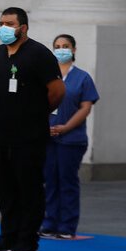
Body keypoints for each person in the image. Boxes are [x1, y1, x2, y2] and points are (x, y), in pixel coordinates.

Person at [0, 7, 65, 251]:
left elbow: (57, 91)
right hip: (0, 134)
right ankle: (6, 236)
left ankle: (27, 240)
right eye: (1, 23)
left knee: (28, 188)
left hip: (29, 136)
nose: (4, 28)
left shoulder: (39, 54)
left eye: (9, 23)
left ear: (23, 27)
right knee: (4, 188)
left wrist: (35, 110)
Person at [40, 34, 99, 239]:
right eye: (57, 46)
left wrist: (65, 127)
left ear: (74, 50)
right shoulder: (47, 76)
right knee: (50, 179)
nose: (61, 49)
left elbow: (85, 107)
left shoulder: (82, 77)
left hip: (71, 139)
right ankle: (49, 222)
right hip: (48, 137)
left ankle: (67, 225)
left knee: (67, 180)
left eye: (65, 46)